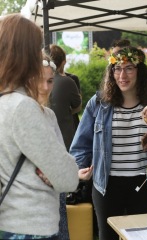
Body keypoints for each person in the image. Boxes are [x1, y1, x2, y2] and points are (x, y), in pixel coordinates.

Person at [70, 46, 147, 240]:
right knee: (107, 236)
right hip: (106, 185)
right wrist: (78, 170)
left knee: (142, 236)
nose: (122, 75)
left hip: (144, 183)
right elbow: (81, 145)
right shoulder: (99, 103)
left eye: (129, 68)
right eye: (117, 69)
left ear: (139, 71)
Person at [0, 13, 79, 239]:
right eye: (37, 47)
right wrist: (58, 168)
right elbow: (67, 178)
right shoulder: (22, 107)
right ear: (24, 54)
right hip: (30, 228)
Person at [38, 53, 70, 240]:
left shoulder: (49, 115)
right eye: (39, 80)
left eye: (50, 81)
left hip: (54, 199)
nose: (45, 87)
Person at [49, 44, 82, 151]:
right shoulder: (67, 81)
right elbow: (78, 106)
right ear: (63, 62)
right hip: (65, 138)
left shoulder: (33, 81)